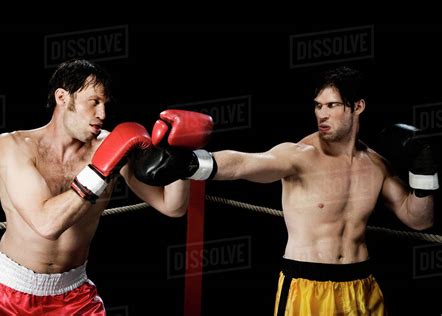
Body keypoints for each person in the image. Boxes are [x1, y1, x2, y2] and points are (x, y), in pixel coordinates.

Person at [133, 66, 438, 315]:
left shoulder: (376, 165)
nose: (322, 115)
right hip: (308, 286)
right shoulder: (299, 155)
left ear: (357, 107)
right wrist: (192, 164)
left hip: (361, 286)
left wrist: (424, 173)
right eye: (318, 106)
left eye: (332, 106)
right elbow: (243, 163)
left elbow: (418, 219)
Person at [0, 59, 213, 315]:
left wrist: (180, 154)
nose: (103, 114)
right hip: (7, 291)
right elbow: (46, 225)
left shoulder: (109, 145)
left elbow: (172, 207)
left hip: (73, 293)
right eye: (94, 102)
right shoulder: (14, 146)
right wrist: (99, 170)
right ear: (63, 97)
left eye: (105, 104)